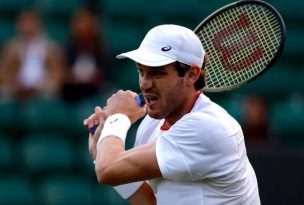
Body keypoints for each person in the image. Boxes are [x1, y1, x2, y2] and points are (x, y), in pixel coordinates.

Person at [84, 24, 260, 205]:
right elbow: (150, 201)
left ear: (192, 74)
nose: (144, 84)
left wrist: (118, 118)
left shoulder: (209, 128)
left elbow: (108, 170)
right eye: (141, 71)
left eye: (157, 73)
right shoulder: (150, 126)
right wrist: (101, 150)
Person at [0, 10, 65, 100]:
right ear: (18, 25)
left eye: (31, 23)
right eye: (25, 23)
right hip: (16, 88)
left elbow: (57, 73)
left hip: (43, 88)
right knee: (4, 94)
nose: (28, 27)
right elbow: (4, 72)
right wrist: (15, 84)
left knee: (51, 95)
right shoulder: (10, 48)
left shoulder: (51, 47)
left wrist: (40, 86)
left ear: (39, 25)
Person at [61, 8, 109, 102]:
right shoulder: (69, 47)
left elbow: (105, 74)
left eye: (87, 23)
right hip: (71, 92)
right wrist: (71, 76)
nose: (83, 27)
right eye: (80, 23)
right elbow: (63, 73)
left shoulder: (100, 48)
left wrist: (95, 77)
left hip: (95, 92)